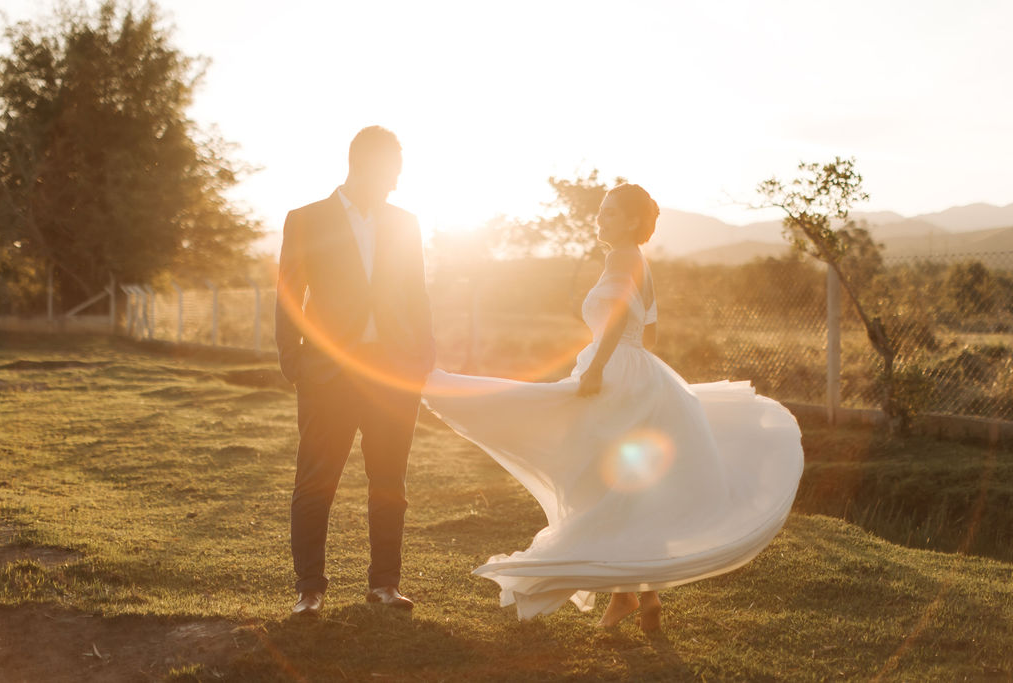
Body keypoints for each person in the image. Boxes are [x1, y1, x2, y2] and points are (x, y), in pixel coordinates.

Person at [423, 183, 804, 630]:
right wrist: (637, 369)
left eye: (608, 212)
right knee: (621, 484)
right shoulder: (640, 261)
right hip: (634, 372)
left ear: (629, 221)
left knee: (597, 476)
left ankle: (627, 593)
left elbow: (623, 311)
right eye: (600, 211)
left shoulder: (622, 255)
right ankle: (636, 595)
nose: (599, 218)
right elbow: (651, 330)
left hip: (616, 373)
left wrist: (601, 365)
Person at [274, 126, 435, 617]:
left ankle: (385, 585)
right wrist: (294, 360)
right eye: (391, 174)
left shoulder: (405, 222)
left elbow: (416, 293)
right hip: (327, 374)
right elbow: (287, 293)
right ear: (362, 164)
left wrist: (422, 356)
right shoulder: (306, 219)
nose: (395, 184)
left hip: (391, 373)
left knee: (390, 482)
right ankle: (310, 589)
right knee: (315, 483)